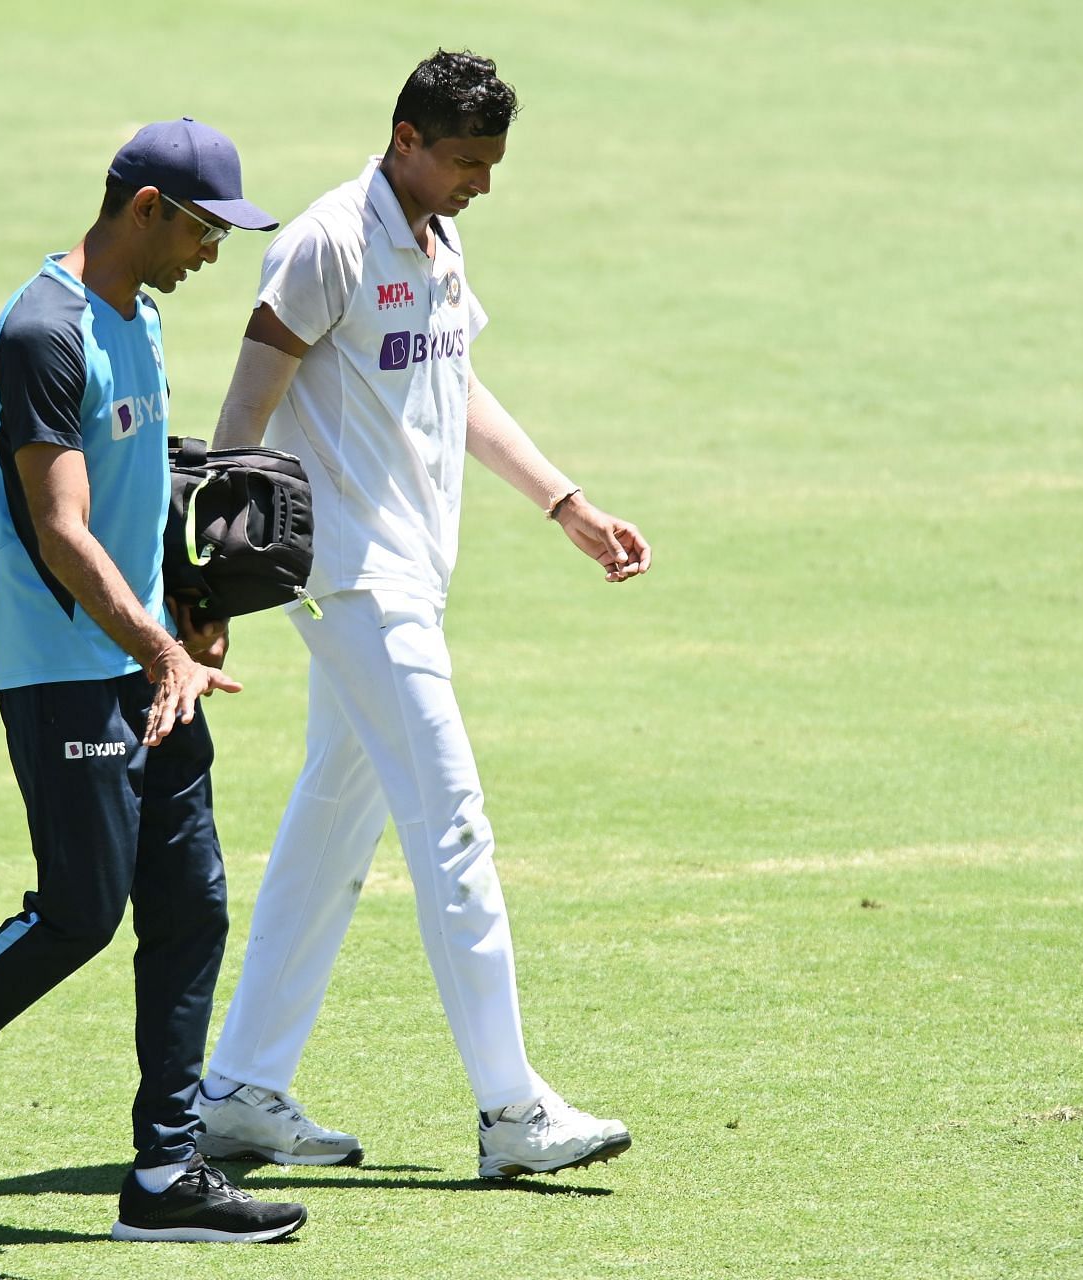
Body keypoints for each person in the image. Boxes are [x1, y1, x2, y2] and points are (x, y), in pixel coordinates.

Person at [0, 117, 309, 1243]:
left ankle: (164, 1173)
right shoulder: (44, 330)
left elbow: (136, 491)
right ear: (144, 208)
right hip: (65, 671)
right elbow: (59, 529)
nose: (213, 254)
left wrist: (187, 609)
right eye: (202, 230)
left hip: (148, 663)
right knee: (80, 913)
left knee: (192, 907)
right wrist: (157, 645)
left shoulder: (136, 317)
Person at [195, 51, 653, 1180]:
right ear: (405, 137)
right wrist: (209, 586)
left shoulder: (440, 237)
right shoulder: (326, 242)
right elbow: (244, 410)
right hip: (350, 577)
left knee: (330, 825)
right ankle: (511, 1110)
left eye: (491, 165)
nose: (480, 183)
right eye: (464, 161)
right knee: (452, 825)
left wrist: (564, 500)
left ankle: (241, 1088)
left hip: (409, 574)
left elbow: (454, 382)